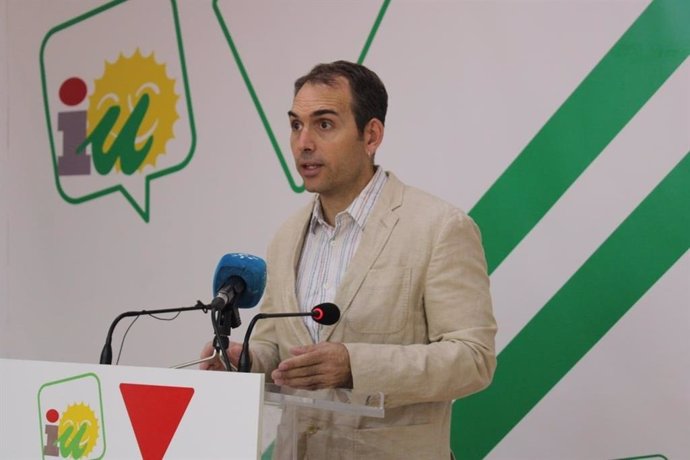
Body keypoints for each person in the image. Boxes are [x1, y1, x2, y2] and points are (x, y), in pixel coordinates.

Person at [200, 60, 497, 459]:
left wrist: (355, 364)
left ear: (371, 135)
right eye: (295, 125)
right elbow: (278, 346)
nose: (303, 142)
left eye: (323, 124)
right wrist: (248, 360)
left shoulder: (439, 227)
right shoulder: (287, 237)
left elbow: (473, 359)